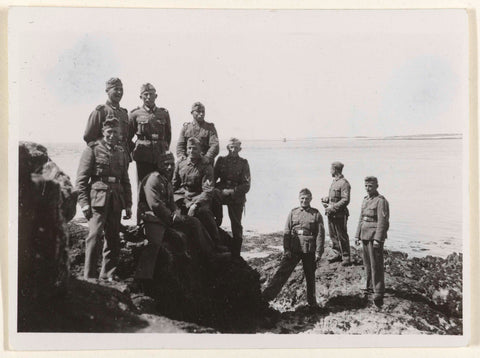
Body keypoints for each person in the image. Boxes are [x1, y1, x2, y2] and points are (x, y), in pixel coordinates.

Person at [135, 152, 228, 281]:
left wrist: (176, 212)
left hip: (165, 218)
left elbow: (171, 202)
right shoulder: (153, 179)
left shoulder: (165, 179)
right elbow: (155, 205)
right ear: (159, 165)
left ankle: (211, 253)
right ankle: (142, 279)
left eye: (171, 164)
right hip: (153, 219)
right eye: (165, 164)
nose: (169, 167)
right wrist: (172, 217)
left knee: (194, 222)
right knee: (153, 246)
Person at [76, 118, 132, 282]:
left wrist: (128, 205)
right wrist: (84, 204)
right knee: (94, 236)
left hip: (116, 199)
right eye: (109, 132)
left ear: (120, 134)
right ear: (103, 132)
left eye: (115, 132)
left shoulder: (121, 152)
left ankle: (108, 274)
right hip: (97, 200)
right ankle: (89, 276)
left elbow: (126, 181)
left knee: (113, 238)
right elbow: (81, 180)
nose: (112, 135)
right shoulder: (92, 150)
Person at [262, 188, 325, 308]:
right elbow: (287, 231)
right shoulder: (293, 213)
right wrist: (287, 249)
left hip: (309, 249)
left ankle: (312, 303)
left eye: (307, 198)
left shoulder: (316, 214)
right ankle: (265, 298)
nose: (304, 200)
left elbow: (320, 234)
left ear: (311, 199)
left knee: (310, 277)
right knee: (282, 273)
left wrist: (319, 252)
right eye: (302, 198)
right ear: (299, 198)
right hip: (294, 248)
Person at [172, 137, 227, 251]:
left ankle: (216, 243)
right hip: (182, 196)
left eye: (195, 149)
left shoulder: (206, 166)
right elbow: (174, 185)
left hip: (198, 196)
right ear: (186, 150)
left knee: (204, 212)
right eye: (189, 148)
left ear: (200, 150)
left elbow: (207, 190)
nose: (191, 151)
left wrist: (195, 204)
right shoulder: (180, 164)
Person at [355, 176, 390, 307]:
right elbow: (361, 218)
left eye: (370, 186)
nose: (368, 188)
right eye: (366, 186)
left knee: (376, 264)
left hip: (374, 236)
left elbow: (383, 222)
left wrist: (378, 239)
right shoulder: (365, 200)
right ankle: (369, 286)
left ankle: (378, 290)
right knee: (367, 263)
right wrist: (357, 235)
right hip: (364, 234)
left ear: (376, 186)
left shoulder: (381, 201)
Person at [213, 137, 251, 257]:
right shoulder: (221, 160)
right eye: (231, 147)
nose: (233, 150)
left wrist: (232, 192)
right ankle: (216, 239)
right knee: (214, 216)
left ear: (240, 149)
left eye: (236, 147)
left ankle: (236, 253)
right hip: (221, 191)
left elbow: (246, 185)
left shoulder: (243, 163)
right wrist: (217, 190)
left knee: (236, 224)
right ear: (228, 148)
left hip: (236, 195)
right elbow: (213, 178)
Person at [128, 83, 172, 183]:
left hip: (160, 156)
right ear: (141, 97)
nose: (148, 97)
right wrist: (134, 151)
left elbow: (168, 135)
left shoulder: (163, 113)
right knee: (143, 184)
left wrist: (164, 149)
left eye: (151, 94)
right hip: (143, 156)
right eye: (146, 94)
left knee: (161, 184)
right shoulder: (135, 114)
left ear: (156, 96)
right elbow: (128, 137)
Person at [83, 78, 131, 163]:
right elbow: (89, 137)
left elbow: (126, 138)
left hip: (122, 159)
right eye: (116, 89)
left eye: (121, 89)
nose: (119, 92)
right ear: (107, 91)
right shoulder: (100, 111)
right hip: (105, 159)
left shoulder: (124, 113)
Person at [321, 161, 352, 266]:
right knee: (333, 234)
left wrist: (332, 207)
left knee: (341, 235)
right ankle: (336, 253)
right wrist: (327, 199)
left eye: (331, 169)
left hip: (339, 214)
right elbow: (335, 197)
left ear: (335, 170)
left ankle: (346, 257)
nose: (330, 171)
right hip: (331, 214)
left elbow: (345, 200)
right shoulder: (335, 182)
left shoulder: (344, 183)